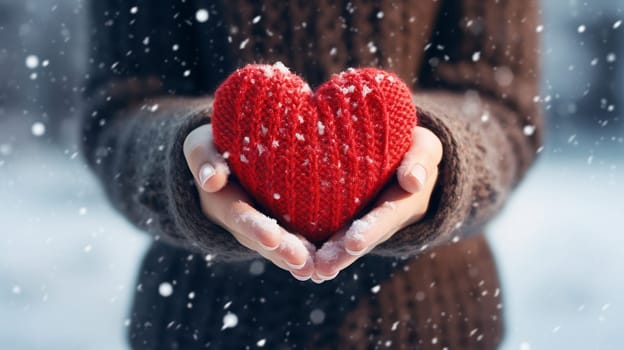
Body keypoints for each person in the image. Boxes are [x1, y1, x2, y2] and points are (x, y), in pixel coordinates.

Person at [82, 0, 542, 348]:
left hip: (434, 324)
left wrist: (441, 159)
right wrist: (186, 162)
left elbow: (503, 106)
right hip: (201, 322)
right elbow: (121, 108)